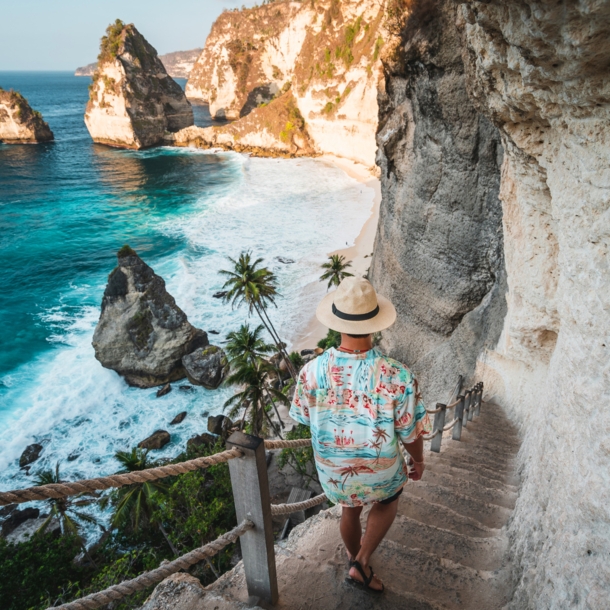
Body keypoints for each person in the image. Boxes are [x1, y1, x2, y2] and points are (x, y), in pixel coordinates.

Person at [289, 276, 431, 594]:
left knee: (349, 509)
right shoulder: (399, 375)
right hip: (381, 470)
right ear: (375, 324)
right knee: (389, 499)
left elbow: (301, 417)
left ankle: (355, 560)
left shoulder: (310, 371)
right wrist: (418, 460)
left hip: (335, 472)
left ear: (337, 321)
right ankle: (362, 561)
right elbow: (410, 432)